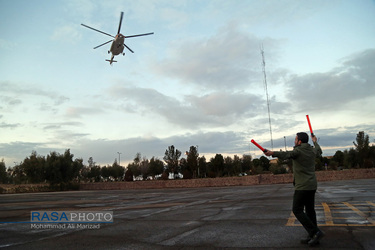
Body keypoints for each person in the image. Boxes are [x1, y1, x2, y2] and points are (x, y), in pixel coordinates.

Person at [264, 132, 324, 246]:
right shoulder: (312, 150)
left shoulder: (298, 151)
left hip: (302, 186)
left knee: (297, 209)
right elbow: (319, 151)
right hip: (312, 185)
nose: (294, 141)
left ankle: (315, 232)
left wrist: (272, 153)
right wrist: (315, 141)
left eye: (296, 139)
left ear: (300, 141)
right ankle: (313, 236)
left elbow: (287, 154)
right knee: (310, 211)